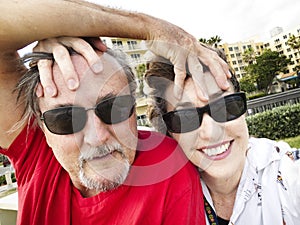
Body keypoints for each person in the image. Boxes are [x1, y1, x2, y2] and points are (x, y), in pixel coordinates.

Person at [0, 45, 206, 224]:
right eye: (66, 119)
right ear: (42, 126)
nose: (97, 137)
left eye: (114, 108)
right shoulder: (35, 153)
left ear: (134, 106)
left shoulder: (166, 166)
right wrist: (47, 29)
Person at [145, 49, 300, 225]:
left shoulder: (289, 175)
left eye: (225, 106)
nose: (211, 132)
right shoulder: (165, 199)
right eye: (186, 118)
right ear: (171, 133)